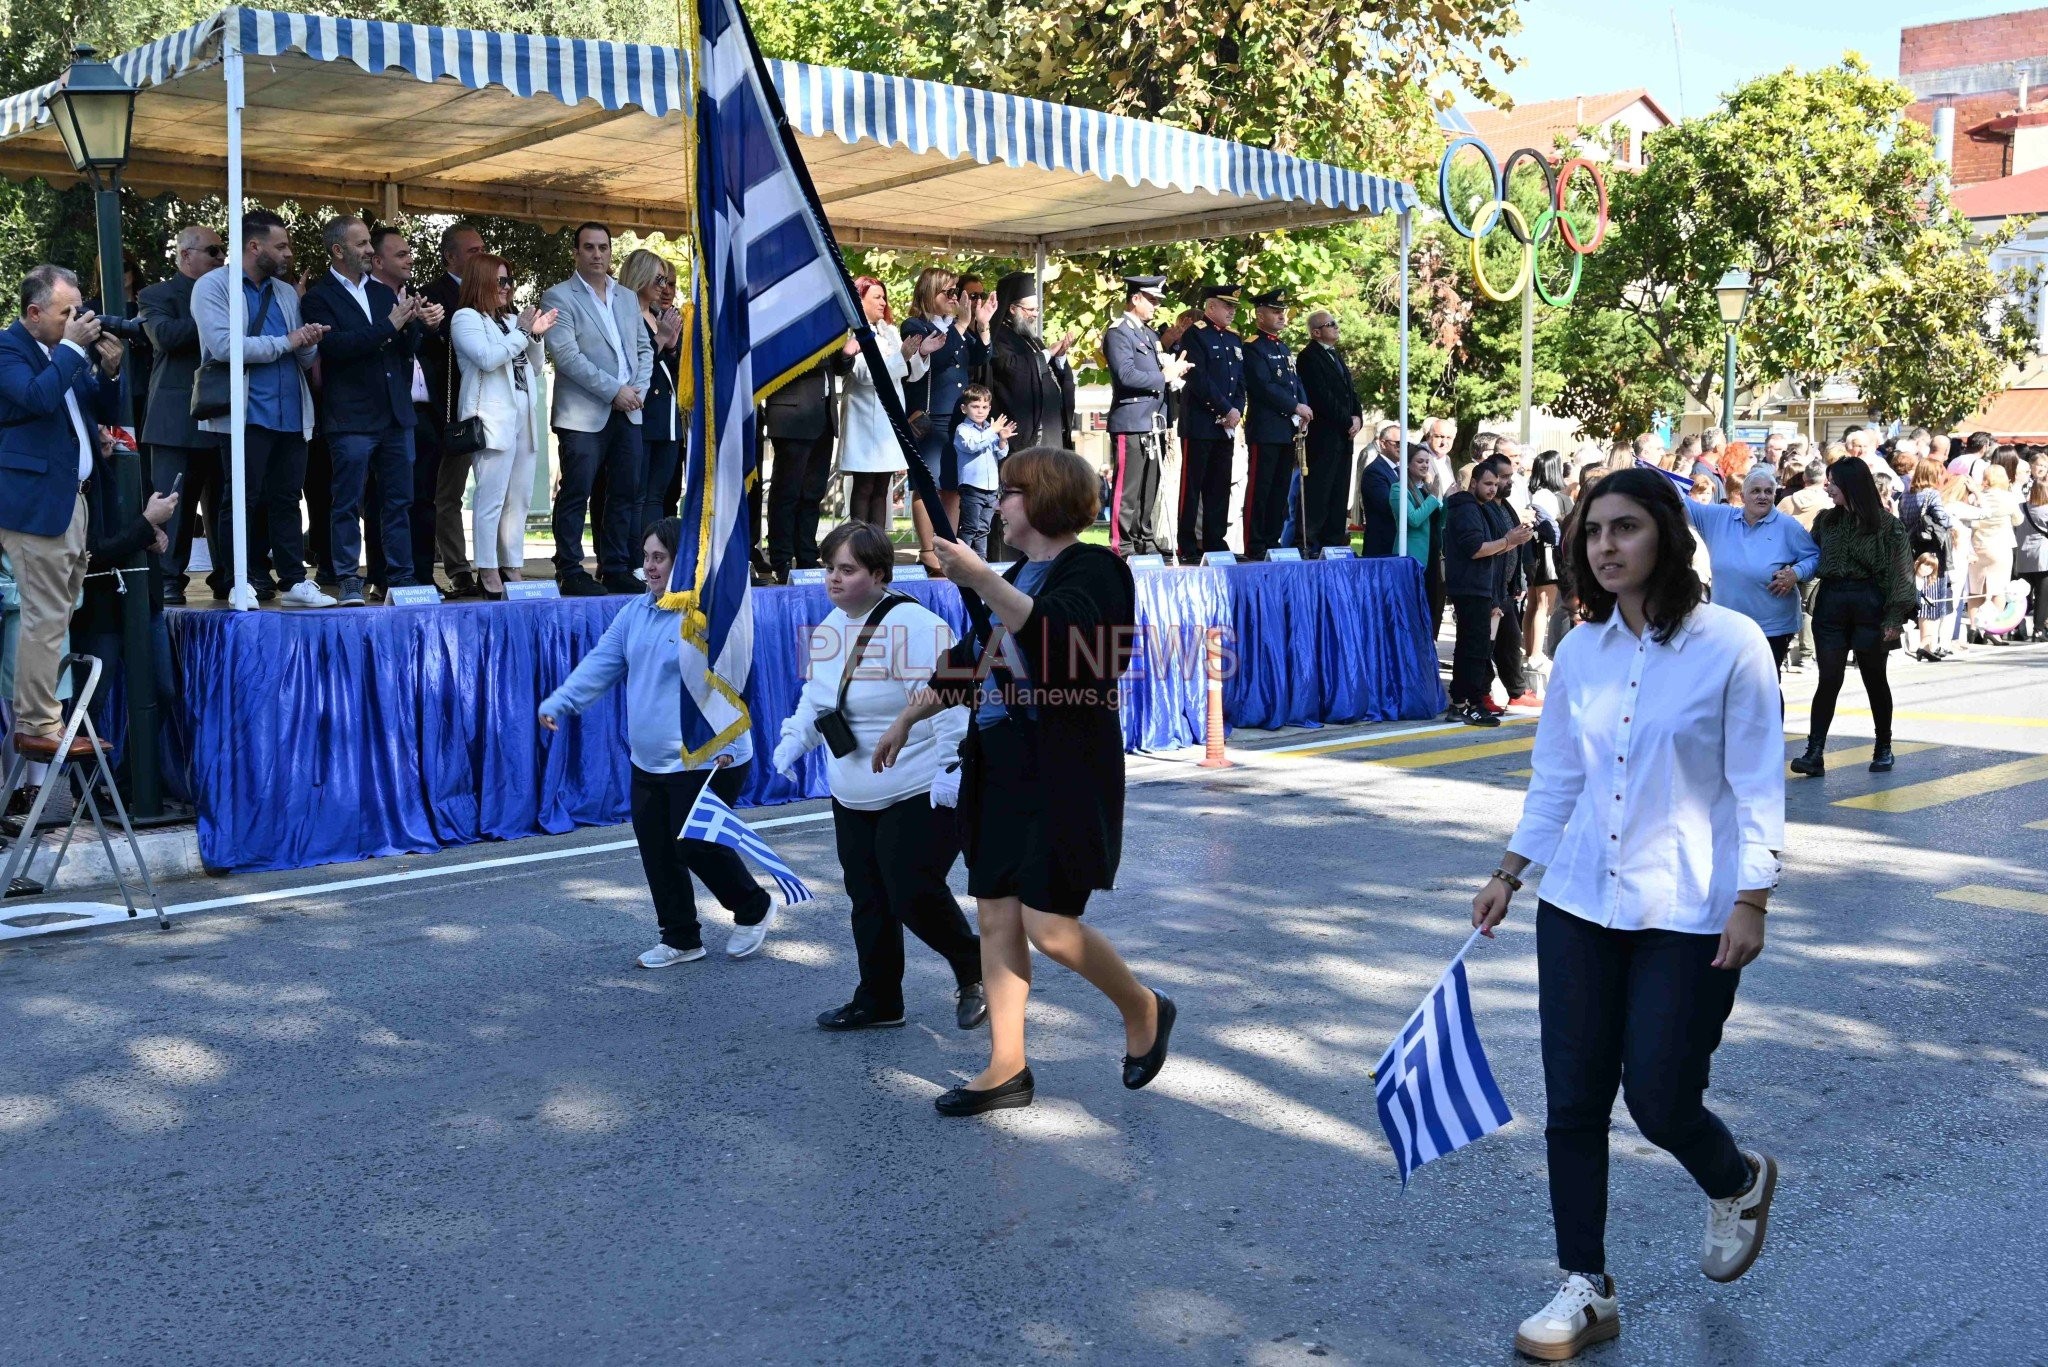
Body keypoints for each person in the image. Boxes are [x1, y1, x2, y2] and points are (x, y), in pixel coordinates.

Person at [1471, 466, 1784, 1364]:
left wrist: (1753, 896)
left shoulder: (1731, 644)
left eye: (1626, 528)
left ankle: (1736, 1178)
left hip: (1688, 908)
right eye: (1593, 530)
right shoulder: (1580, 649)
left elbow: (1758, 780)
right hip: (1576, 902)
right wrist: (1510, 869)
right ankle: (1586, 1285)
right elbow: (1559, 777)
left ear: (1668, 537)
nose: (1606, 546)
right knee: (1572, 1101)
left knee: (1658, 1094)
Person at [874, 447, 1171, 1116]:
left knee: (1050, 924)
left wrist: (983, 581)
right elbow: (972, 659)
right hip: (999, 763)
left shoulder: (1097, 569)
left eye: (1010, 492)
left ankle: (1145, 1007)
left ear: (1041, 500)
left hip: (1060, 772)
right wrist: (908, 717)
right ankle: (1006, 1064)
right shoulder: (1010, 574)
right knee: (997, 913)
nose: (999, 503)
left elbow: (1068, 648)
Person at [772, 521, 985, 1031]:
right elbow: (816, 700)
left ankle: (975, 966)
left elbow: (952, 700)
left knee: (909, 887)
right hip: (852, 791)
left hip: (917, 786)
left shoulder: (916, 627)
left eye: (847, 569)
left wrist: (952, 768)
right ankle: (879, 999)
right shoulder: (828, 629)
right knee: (867, 897)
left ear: (881, 573)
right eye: (829, 569)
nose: (834, 579)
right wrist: (792, 741)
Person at [540, 517, 776, 966]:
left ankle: (752, 906)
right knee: (657, 848)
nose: (648, 566)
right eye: (646, 557)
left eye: (659, 558)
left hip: (709, 756)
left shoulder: (711, 615)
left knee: (694, 843)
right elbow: (603, 663)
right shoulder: (635, 612)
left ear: (683, 563)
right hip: (648, 758)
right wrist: (563, 701)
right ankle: (681, 938)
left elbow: (735, 669)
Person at [0, 265, 126, 755]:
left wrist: (109, 374)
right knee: (44, 612)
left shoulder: (61, 356)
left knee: (58, 615)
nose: (78, 320)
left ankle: (43, 719)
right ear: (34, 313)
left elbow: (97, 411)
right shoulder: (10, 349)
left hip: (73, 500)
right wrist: (73, 350)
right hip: (34, 504)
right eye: (66, 312)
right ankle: (36, 723)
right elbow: (36, 397)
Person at [192, 209, 333, 607]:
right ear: (255, 246)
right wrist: (287, 341)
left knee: (288, 499)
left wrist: (308, 341)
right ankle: (239, 579)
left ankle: (293, 583)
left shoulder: (287, 292)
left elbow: (304, 360)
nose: (289, 253)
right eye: (281, 245)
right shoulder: (212, 286)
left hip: (291, 414)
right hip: (243, 413)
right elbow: (225, 347)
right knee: (240, 498)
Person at [301, 215, 435, 607]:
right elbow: (335, 348)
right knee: (346, 501)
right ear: (338, 250)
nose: (370, 251)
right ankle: (346, 577)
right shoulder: (318, 297)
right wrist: (392, 325)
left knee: (399, 501)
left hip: (396, 415)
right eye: (361, 244)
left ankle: (402, 577)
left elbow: (402, 351)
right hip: (352, 418)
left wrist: (417, 325)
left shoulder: (380, 294)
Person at [542, 223, 654, 596]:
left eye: (603, 247)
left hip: (629, 408)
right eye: (588, 247)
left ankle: (616, 566)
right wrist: (615, 391)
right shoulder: (558, 296)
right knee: (577, 490)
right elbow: (567, 357)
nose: (597, 254)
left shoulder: (625, 296)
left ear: (611, 252)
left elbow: (644, 348)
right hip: (583, 412)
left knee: (624, 491)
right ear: (576, 252)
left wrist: (637, 388)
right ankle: (570, 568)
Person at [1790, 457, 1914, 777]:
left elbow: (1901, 574)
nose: (1827, 487)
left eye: (1833, 482)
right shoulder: (1825, 521)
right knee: (1828, 679)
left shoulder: (1888, 526)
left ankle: (1883, 747)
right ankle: (1814, 753)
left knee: (1874, 679)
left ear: (1851, 486)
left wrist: (1894, 618)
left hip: (1869, 603)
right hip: (1831, 603)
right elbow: (1809, 558)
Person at [451, 255, 556, 598]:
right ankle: (486, 567)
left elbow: (535, 367)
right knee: (491, 496)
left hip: (524, 415)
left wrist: (535, 337)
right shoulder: (465, 318)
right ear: (481, 281)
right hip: (492, 417)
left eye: (510, 280)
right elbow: (487, 357)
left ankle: (512, 564)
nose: (507, 287)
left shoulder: (512, 319)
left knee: (520, 497)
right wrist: (524, 332)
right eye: (500, 281)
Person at [138, 226, 225, 606]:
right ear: (186, 255)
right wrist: (213, 316)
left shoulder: (231, 293)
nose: (220, 258)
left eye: (223, 251)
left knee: (225, 501)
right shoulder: (155, 295)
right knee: (173, 503)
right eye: (212, 251)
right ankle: (169, 578)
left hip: (223, 414)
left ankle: (229, 575)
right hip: (175, 419)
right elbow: (167, 337)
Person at [1680, 465, 1820, 674]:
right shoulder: (1720, 518)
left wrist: (1795, 573)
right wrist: (1655, 473)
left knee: (1764, 686)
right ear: (1742, 495)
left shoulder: (1787, 526)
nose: (1762, 496)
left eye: (1768, 491)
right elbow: (1682, 504)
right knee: (1727, 683)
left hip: (1771, 626)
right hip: (1727, 623)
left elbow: (1814, 556)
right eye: (1755, 491)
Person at [363, 226, 442, 594]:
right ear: (377, 261)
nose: (410, 258)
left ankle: (422, 577)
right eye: (400, 254)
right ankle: (383, 577)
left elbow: (417, 350)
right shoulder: (368, 299)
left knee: (421, 501)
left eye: (409, 252)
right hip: (381, 414)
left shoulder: (413, 297)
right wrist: (403, 323)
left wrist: (428, 326)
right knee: (386, 501)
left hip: (421, 414)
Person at [902, 267, 994, 567]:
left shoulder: (956, 328)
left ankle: (948, 545)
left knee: (954, 485)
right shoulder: (915, 324)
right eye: (950, 292)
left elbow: (978, 358)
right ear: (931, 293)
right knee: (927, 484)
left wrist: (981, 327)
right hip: (930, 417)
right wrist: (962, 326)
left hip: (956, 417)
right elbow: (938, 360)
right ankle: (928, 550)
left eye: (958, 293)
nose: (956, 298)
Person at [1442, 454, 1534, 727]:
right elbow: (1476, 549)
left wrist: (1509, 542)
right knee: (1473, 648)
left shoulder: (1478, 507)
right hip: (1471, 587)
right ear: (1473, 483)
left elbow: (1490, 551)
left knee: (1477, 648)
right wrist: (1509, 540)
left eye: (1497, 483)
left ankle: (1466, 702)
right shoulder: (1466, 508)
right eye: (1488, 483)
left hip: (1482, 587)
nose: (1493, 488)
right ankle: (1466, 703)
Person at [422, 222, 485, 597]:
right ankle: (459, 568)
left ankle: (496, 568)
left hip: (492, 407)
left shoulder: (492, 294)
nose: (482, 257)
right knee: (448, 493)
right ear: (451, 256)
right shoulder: (433, 295)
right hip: (451, 411)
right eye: (474, 251)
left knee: (497, 491)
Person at [1102, 274, 1185, 557]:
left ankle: (1143, 538)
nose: (1155, 306)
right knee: (1128, 488)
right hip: (1132, 419)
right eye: (1151, 300)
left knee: (1150, 487)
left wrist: (1172, 373)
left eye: (1157, 300)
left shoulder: (1149, 335)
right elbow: (1125, 375)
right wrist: (1163, 376)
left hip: (1153, 421)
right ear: (1135, 298)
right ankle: (1122, 545)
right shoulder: (1119, 331)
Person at [839, 275, 926, 530]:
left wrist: (921, 353)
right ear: (859, 299)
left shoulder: (888, 331)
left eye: (884, 296)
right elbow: (865, 375)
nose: (883, 302)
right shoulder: (853, 332)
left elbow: (909, 372)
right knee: (865, 484)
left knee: (883, 485)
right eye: (876, 297)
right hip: (865, 419)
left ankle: (877, 545)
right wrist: (901, 357)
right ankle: (857, 542)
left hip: (888, 421)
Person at [1239, 289, 1312, 561]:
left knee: (1279, 490)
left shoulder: (1282, 347)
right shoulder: (1253, 346)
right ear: (1260, 315)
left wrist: (1303, 409)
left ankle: (1272, 539)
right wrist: (1295, 407)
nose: (1282, 316)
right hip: (1266, 429)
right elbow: (1263, 386)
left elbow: (1295, 384)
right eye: (1275, 311)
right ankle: (1255, 543)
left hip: (1286, 431)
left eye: (1282, 311)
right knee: (1261, 488)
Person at [1175, 285, 1246, 562]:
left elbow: (1239, 380)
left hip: (1225, 426)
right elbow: (1199, 379)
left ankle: (1216, 543)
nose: (1231, 312)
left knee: (1219, 486)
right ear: (1211, 307)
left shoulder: (1234, 339)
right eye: (1226, 306)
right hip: (1201, 423)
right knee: (1192, 488)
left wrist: (1237, 409)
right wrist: (1225, 408)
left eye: (1234, 308)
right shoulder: (1196, 334)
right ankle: (1188, 545)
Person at [617, 249, 683, 546]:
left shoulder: (659, 316)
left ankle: (656, 558)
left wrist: (671, 347)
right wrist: (661, 341)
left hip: (667, 419)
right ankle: (635, 559)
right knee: (637, 494)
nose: (663, 286)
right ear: (640, 276)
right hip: (640, 414)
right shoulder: (625, 314)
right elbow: (632, 367)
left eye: (666, 280)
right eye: (658, 278)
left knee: (658, 495)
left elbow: (669, 369)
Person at [763, 354, 847, 578]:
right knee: (786, 492)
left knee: (812, 493)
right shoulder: (790, 319)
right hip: (792, 413)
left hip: (823, 416)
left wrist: (846, 354)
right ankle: (781, 559)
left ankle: (807, 556)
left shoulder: (829, 322)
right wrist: (828, 348)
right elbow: (791, 356)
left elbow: (841, 367)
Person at [1296, 310, 1363, 554]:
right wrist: (1347, 420)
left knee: (1338, 491)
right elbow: (1322, 397)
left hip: (1344, 437)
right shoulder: (1308, 357)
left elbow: (1350, 393)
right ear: (1316, 332)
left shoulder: (1335, 355)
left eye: (1335, 323)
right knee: (1319, 491)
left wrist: (1358, 418)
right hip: (1323, 437)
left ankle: (1332, 542)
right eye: (1330, 324)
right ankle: (1310, 543)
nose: (1336, 327)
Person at [987, 271, 1072, 454]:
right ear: (1012, 309)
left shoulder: (1032, 339)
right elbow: (1013, 369)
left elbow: (1048, 369)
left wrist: (1060, 357)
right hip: (1027, 435)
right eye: (1030, 310)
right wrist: (1048, 353)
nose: (1035, 315)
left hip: (1052, 427)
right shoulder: (999, 336)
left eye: (1037, 309)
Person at [950, 384, 1012, 556]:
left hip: (991, 488)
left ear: (989, 408)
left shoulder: (989, 429)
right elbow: (972, 445)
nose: (980, 411)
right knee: (969, 526)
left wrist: (1002, 440)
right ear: (964, 408)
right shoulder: (963, 430)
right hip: (972, 487)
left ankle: (980, 560)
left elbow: (1000, 454)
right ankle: (961, 559)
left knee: (984, 528)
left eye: (984, 407)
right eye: (975, 406)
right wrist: (992, 431)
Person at [1524, 450, 1573, 667]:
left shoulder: (1533, 492)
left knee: (1533, 604)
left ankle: (1530, 652)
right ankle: (1536, 654)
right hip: (1546, 555)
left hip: (1533, 553)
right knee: (1544, 606)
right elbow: (1552, 530)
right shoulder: (1548, 497)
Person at [1966, 465, 2024, 640]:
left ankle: (1973, 628)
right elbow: (2018, 520)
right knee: (1998, 589)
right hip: (2000, 546)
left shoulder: (1976, 497)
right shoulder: (2008, 498)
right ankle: (1993, 630)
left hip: (1977, 547)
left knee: (1976, 589)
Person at [1393, 443, 1441, 574]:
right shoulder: (1399, 489)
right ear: (1407, 464)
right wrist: (1433, 497)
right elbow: (1414, 519)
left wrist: (1450, 499)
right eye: (1420, 461)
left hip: (1432, 550)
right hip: (1412, 554)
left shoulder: (1427, 487)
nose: (1425, 465)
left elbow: (1438, 520)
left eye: (1427, 462)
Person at [1358, 423, 1405, 557]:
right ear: (1383, 444)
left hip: (1396, 542)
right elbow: (1387, 506)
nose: (1401, 447)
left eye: (1405, 443)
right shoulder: (1374, 471)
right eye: (1397, 443)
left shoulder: (1402, 470)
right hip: (1382, 546)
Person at [2017, 456, 2048, 643]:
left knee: (2023, 595)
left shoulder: (2021, 507)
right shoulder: (2045, 510)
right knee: (2043, 596)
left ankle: (2016, 626)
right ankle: (2038, 629)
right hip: (2042, 557)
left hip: (2023, 555)